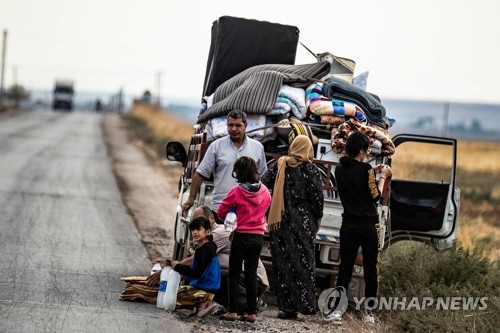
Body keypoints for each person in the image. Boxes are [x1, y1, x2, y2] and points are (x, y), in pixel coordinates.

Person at [146, 206, 269, 313]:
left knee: (212, 278)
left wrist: (167, 272)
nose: (196, 229)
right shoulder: (207, 238)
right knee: (207, 276)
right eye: (194, 224)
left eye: (200, 223)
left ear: (211, 219)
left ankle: (250, 304)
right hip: (241, 279)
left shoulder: (218, 234)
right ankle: (230, 305)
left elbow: (195, 260)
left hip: (253, 281)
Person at [328, 131, 392, 324]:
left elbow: (358, 178)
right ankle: (369, 313)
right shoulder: (367, 170)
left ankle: (337, 311)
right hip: (368, 224)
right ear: (363, 150)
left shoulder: (339, 168)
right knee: (371, 268)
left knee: (345, 267)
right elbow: (375, 195)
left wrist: (374, 171)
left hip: (348, 223)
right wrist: (383, 176)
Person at [262, 135, 324, 320]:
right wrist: (318, 218)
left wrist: (269, 207)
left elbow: (263, 185)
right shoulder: (310, 169)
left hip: (279, 222)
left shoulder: (280, 165)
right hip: (303, 223)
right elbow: (317, 198)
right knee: (304, 264)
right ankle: (303, 305)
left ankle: (286, 308)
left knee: (282, 264)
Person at [181, 110, 267, 223]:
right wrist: (191, 199)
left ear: (245, 126)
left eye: (238, 125)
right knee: (220, 239)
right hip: (221, 209)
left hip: (247, 211)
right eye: (230, 125)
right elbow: (200, 174)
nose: (234, 129)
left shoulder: (257, 147)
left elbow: (262, 177)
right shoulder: (216, 146)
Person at [217, 156, 271, 323]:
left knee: (234, 273)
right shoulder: (264, 191)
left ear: (238, 173)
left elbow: (220, 211)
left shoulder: (237, 191)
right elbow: (267, 206)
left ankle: (232, 311)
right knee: (250, 273)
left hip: (241, 236)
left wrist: (229, 217)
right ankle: (251, 313)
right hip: (258, 237)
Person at [170, 216, 221, 317]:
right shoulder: (209, 246)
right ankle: (202, 304)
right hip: (210, 287)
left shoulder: (204, 250)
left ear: (207, 231)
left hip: (205, 288)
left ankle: (203, 304)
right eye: (193, 229)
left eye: (198, 229)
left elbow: (196, 273)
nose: (195, 232)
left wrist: (177, 267)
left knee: (173, 297)